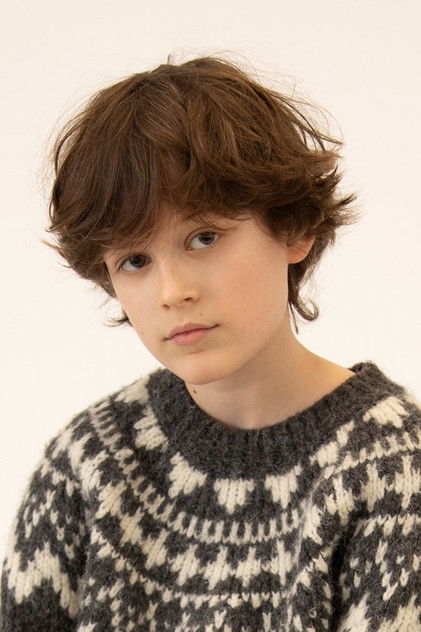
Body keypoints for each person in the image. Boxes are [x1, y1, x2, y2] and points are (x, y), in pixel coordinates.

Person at [1, 54, 420, 632]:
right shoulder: (89, 461)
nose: (172, 292)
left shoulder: (393, 470)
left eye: (203, 237)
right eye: (134, 260)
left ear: (293, 227)